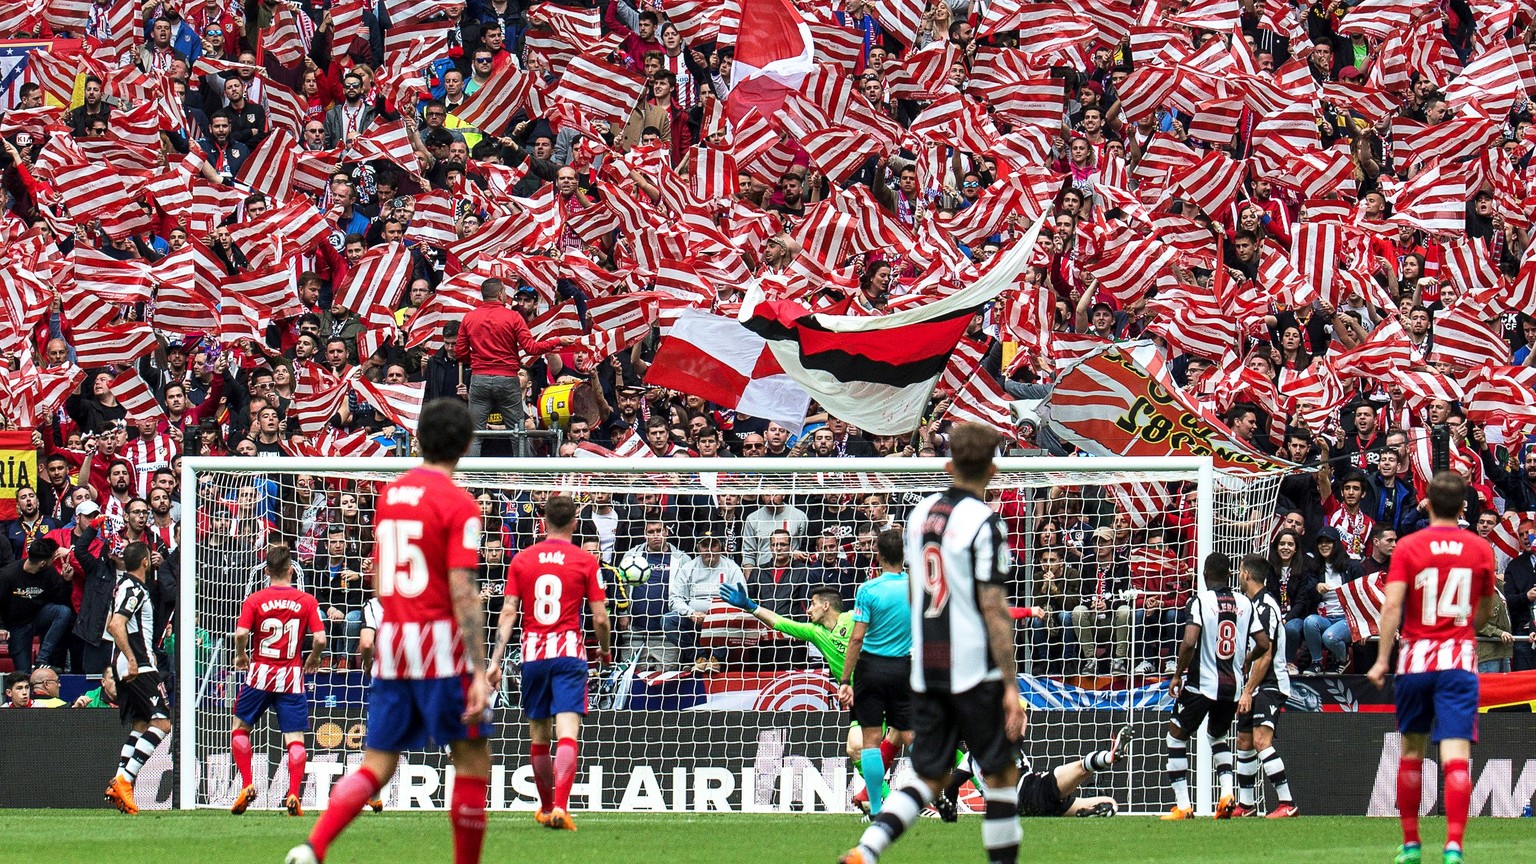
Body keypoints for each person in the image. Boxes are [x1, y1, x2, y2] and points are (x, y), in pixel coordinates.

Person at [287, 399, 491, 864]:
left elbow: (380, 575)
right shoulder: (460, 503)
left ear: (418, 439)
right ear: (465, 445)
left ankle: (311, 848)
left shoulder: (390, 495)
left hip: (393, 641)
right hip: (439, 642)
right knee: (472, 759)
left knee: (377, 764)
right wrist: (479, 669)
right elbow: (462, 589)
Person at [841, 423, 1025, 864]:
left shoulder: (919, 514)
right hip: (969, 666)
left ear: (947, 465)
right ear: (994, 469)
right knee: (1000, 772)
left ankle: (867, 851)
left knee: (927, 773)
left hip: (924, 667)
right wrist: (1010, 685)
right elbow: (994, 609)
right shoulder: (985, 522)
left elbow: (919, 588)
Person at [1367, 471, 1497, 864]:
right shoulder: (1479, 549)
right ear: (1463, 507)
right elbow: (1487, 608)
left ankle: (1411, 845)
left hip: (1415, 662)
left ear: (1425, 502)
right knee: (1455, 756)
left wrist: (1382, 659)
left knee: (1411, 752)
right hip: (1458, 662)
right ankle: (1454, 845)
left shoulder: (1408, 546)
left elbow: (1391, 606)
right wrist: (1463, 631)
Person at [488, 493, 611, 831]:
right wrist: (605, 650)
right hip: (569, 654)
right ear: (574, 523)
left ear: (542, 522)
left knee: (539, 737)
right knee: (567, 733)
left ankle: (544, 807)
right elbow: (600, 618)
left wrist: (495, 661)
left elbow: (509, 612)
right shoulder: (586, 561)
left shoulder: (522, 560)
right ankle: (561, 806)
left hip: (533, 656)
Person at [1161, 552, 1270, 821]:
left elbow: (1189, 641)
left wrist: (1177, 674)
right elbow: (1265, 644)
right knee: (1217, 737)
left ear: (1205, 575)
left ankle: (1184, 806)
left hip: (1201, 684)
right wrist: (1246, 660)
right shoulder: (1245, 603)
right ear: (1230, 574)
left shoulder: (1200, 601)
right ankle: (1226, 794)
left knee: (1176, 736)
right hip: (1232, 688)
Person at [229, 543, 326, 817]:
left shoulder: (255, 599)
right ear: (291, 570)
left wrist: (240, 656)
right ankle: (293, 792)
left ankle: (247, 784)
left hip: (259, 675)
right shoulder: (306, 601)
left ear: (267, 571)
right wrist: (315, 658)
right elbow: (320, 638)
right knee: (294, 739)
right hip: (291, 678)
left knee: (240, 728)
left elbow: (240, 634)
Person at [836, 529, 913, 817]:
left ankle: (877, 808)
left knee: (870, 739)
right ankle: (926, 795)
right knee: (910, 734)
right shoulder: (916, 588)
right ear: (903, 555)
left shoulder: (868, 590)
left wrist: (845, 679)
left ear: (878, 555)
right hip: (903, 667)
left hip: (871, 668)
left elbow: (856, 638)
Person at [455, 278, 578, 457]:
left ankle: (471, 481)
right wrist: (557, 341)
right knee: (518, 431)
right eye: (505, 292)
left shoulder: (469, 318)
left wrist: (477, 361)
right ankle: (522, 478)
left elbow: (460, 352)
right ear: (499, 294)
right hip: (507, 379)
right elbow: (531, 348)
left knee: (475, 433)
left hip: (479, 378)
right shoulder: (513, 317)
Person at [103, 542, 173, 816]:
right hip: (139, 664)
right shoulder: (134, 588)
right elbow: (116, 624)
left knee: (141, 724)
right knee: (162, 722)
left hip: (123, 664)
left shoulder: (121, 586)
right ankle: (125, 779)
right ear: (145, 561)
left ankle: (118, 783)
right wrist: (132, 659)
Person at [939, 725, 1133, 819]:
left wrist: (951, 813)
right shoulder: (1002, 742)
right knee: (1081, 768)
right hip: (1029, 789)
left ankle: (1087, 813)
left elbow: (951, 786)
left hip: (1018, 811)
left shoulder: (969, 759)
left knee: (1110, 804)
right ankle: (1110, 757)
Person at [1232, 555, 1298, 819]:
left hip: (1269, 683)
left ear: (1246, 574)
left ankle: (1287, 803)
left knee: (1261, 741)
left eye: (1239, 571)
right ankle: (1246, 805)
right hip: (1254, 683)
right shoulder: (1251, 605)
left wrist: (1248, 691)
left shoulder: (1266, 606)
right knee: (1244, 741)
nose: (1238, 575)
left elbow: (1267, 653)